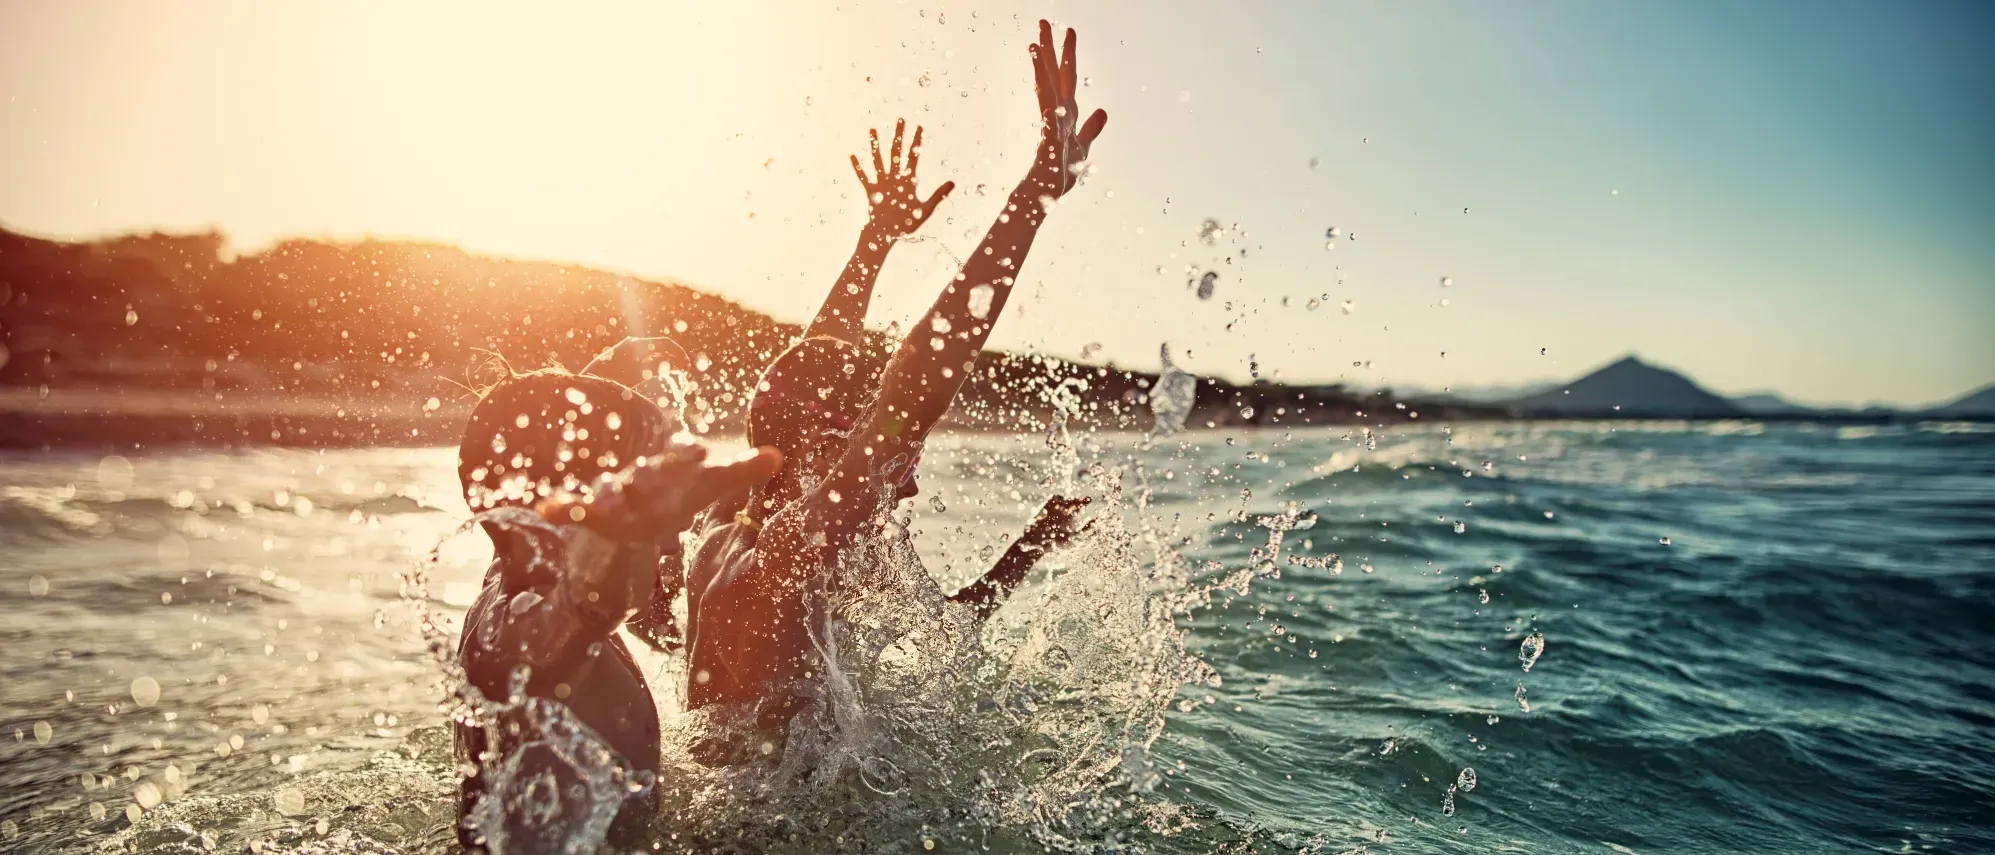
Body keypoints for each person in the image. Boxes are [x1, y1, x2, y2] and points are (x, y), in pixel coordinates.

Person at [683, 21, 1108, 729]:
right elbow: (910, 391)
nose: (906, 480)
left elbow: (946, 630)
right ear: (826, 451)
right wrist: (1034, 194)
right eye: (894, 457)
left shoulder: (738, 523)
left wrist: (874, 241)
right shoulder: (787, 553)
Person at [450, 367, 781, 850]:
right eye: (640, 499)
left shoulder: (507, 576)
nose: (678, 531)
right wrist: (625, 537)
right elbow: (582, 611)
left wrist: (598, 382)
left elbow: (536, 507)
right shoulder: (510, 636)